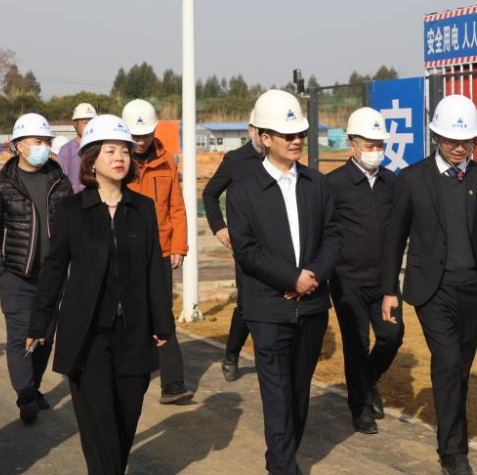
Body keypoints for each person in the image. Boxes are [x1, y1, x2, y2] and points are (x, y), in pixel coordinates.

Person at [27, 115, 174, 475]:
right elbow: (54, 270)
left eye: (124, 150)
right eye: (110, 151)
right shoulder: (72, 210)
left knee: (125, 421)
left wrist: (163, 323)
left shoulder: (142, 209)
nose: (119, 157)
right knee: (99, 422)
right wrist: (39, 322)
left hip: (134, 332)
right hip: (88, 334)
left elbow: (154, 269)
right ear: (91, 160)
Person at [381, 94, 477, 475]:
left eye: (467, 141)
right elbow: (395, 238)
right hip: (432, 290)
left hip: (474, 291)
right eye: (451, 140)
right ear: (436, 136)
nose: (459, 147)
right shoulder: (412, 178)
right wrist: (389, 290)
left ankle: (452, 436)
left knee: (460, 368)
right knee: (447, 362)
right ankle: (453, 453)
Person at [227, 90, 342, 475]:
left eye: (300, 134)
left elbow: (333, 235)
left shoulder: (317, 184)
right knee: (276, 393)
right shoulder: (243, 191)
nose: (296, 141)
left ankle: (281, 454)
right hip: (268, 308)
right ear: (265, 138)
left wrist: (313, 276)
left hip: (312, 306)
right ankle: (283, 465)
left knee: (298, 391)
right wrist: (291, 277)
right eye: (287, 134)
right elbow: (246, 250)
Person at [0, 113, 73, 423]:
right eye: (38, 141)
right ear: (19, 145)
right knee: (21, 337)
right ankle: (26, 394)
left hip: (53, 276)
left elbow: (73, 224)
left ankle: (33, 385)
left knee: (45, 336)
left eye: (47, 141)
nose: (44, 147)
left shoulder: (60, 181)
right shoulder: (1, 185)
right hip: (16, 275)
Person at [326, 107, 403, 435]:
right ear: (352, 143)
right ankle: (359, 407)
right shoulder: (334, 184)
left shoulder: (392, 182)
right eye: (369, 145)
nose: (375, 151)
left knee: (391, 337)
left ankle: (368, 380)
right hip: (347, 282)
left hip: (384, 281)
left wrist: (391, 284)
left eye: (379, 145)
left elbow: (398, 232)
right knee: (356, 344)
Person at [122, 99, 193, 404]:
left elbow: (176, 207)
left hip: (161, 251)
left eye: (146, 135)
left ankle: (173, 384)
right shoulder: (117, 161)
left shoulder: (167, 162)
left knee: (162, 312)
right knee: (126, 314)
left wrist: (179, 246)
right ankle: (126, 374)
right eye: (135, 136)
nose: (141, 141)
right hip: (125, 251)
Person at [201, 110, 263, 381]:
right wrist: (219, 227)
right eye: (261, 130)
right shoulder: (235, 160)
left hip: (278, 245)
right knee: (248, 303)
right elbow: (210, 194)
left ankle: (269, 359)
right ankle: (232, 353)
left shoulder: (281, 160)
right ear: (251, 130)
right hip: (246, 246)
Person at [57, 102, 98, 193]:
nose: (89, 126)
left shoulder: (100, 148)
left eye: (92, 123)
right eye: (85, 123)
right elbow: (61, 182)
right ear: (75, 124)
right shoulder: (66, 150)